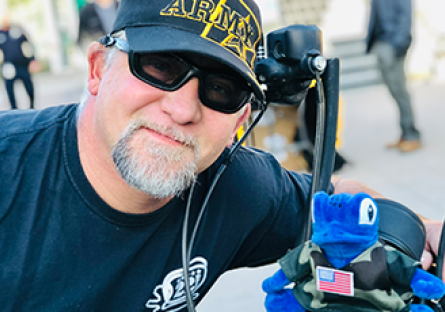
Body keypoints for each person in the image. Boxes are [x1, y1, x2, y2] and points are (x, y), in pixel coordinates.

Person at [0, 0, 442, 311]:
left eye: (220, 90)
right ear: (98, 70)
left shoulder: (236, 185)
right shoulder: (10, 168)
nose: (183, 109)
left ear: (241, 120)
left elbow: (338, 197)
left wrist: (414, 234)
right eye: (160, 67)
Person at [365, 0, 421, 153]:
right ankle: (405, 133)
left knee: (400, 91)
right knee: (394, 91)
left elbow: (405, 18)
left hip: (393, 45)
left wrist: (398, 46)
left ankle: (412, 135)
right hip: (382, 43)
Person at [0, 14, 40, 110]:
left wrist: (33, 59)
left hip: (22, 64)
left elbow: (28, 44)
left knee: (29, 86)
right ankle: (14, 108)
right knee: (9, 89)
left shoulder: (16, 31)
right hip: (8, 66)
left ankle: (32, 106)